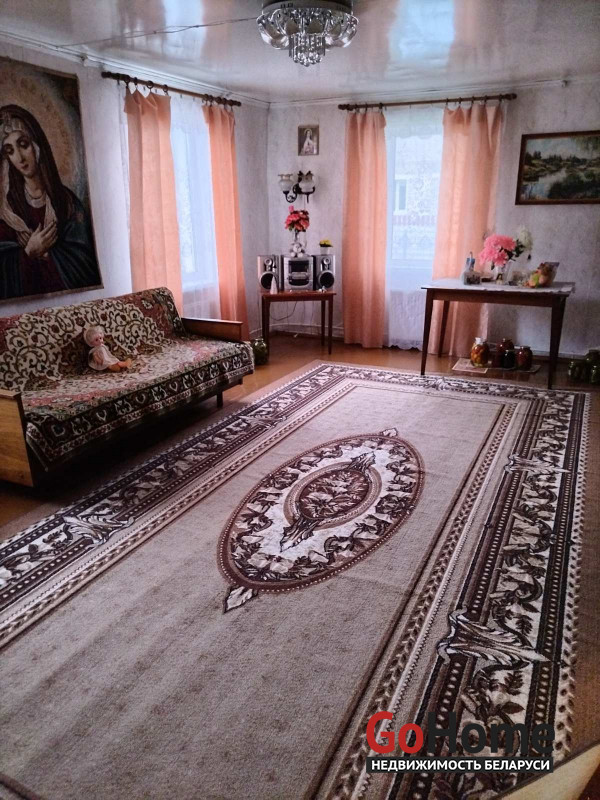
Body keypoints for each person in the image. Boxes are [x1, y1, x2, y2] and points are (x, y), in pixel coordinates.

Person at [0, 104, 101, 300]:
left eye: (23, 144)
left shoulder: (67, 203)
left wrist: (46, 254)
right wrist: (28, 252)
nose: (19, 157)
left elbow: (84, 265)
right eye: (10, 150)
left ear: (37, 145)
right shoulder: (7, 210)